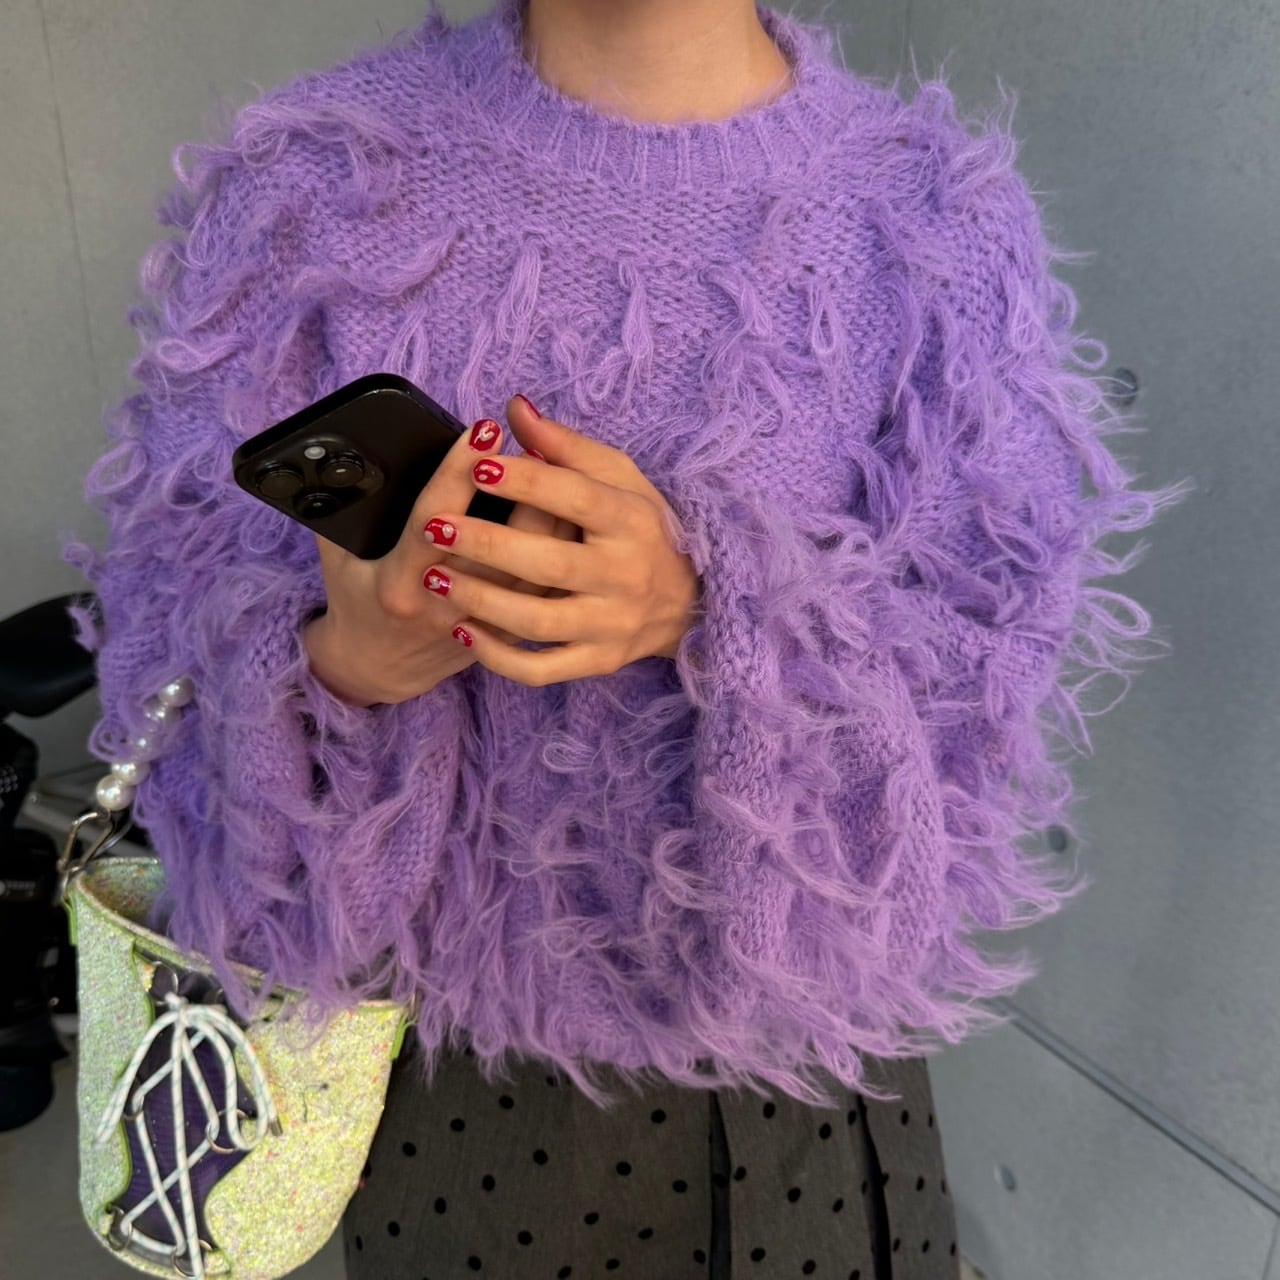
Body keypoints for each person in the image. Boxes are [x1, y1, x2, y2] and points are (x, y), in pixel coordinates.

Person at [63, 0, 1189, 1275]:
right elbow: (162, 660)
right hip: (438, 1088)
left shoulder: (928, 216)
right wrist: (341, 666)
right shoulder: (314, 184)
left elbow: (976, 697)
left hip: (808, 1088)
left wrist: (712, 603)